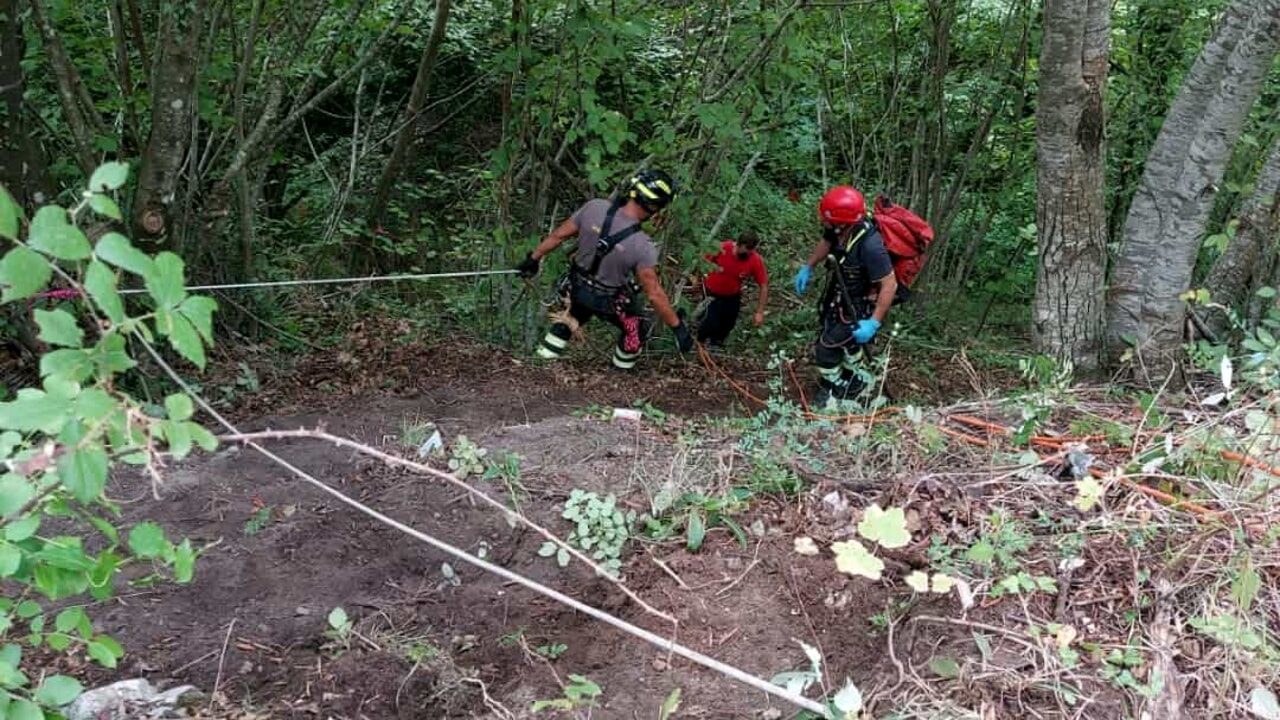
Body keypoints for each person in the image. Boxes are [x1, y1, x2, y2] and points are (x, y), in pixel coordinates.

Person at [516, 169, 694, 370]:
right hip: (608, 300)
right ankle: (619, 374)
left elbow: (558, 236)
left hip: (577, 288)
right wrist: (678, 327)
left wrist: (533, 258)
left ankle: (539, 366)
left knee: (572, 315)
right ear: (654, 206)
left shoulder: (595, 208)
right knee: (636, 328)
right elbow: (654, 293)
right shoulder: (642, 245)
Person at [794, 185, 898, 405]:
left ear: (843, 221)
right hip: (841, 296)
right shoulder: (839, 229)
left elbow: (889, 284)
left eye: (827, 219)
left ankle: (836, 387)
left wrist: (873, 323)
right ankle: (855, 378)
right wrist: (809, 266)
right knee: (848, 344)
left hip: (859, 305)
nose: (824, 222)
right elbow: (827, 242)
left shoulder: (871, 246)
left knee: (826, 349)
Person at [696, 232, 769, 348]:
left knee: (728, 322)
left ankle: (716, 343)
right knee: (710, 321)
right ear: (738, 245)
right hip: (712, 292)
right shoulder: (722, 248)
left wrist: (759, 312)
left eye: (750, 252)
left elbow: (763, 285)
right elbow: (703, 261)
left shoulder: (754, 259)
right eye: (744, 252)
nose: (746, 255)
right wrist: (699, 280)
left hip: (732, 294)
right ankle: (699, 342)